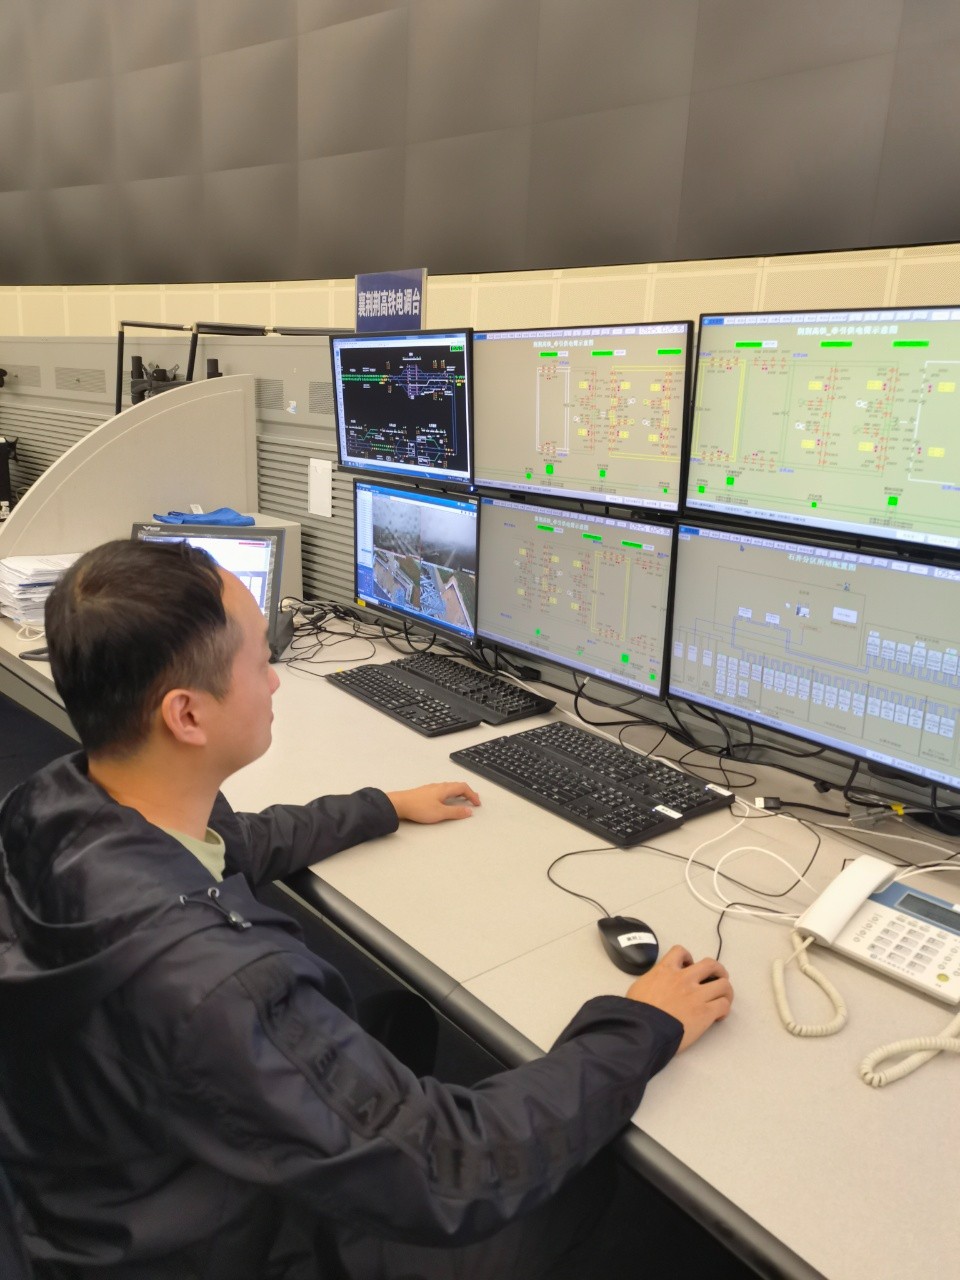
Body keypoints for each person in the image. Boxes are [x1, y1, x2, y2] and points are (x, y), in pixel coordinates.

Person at [0, 539, 733, 1280]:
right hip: (207, 1246)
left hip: (100, 1186)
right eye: (259, 659)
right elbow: (456, 1167)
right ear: (187, 714)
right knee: (596, 1190)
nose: (275, 680)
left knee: (396, 1018)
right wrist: (640, 1024)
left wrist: (382, 805)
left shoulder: (57, 804)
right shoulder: (216, 985)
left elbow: (235, 842)